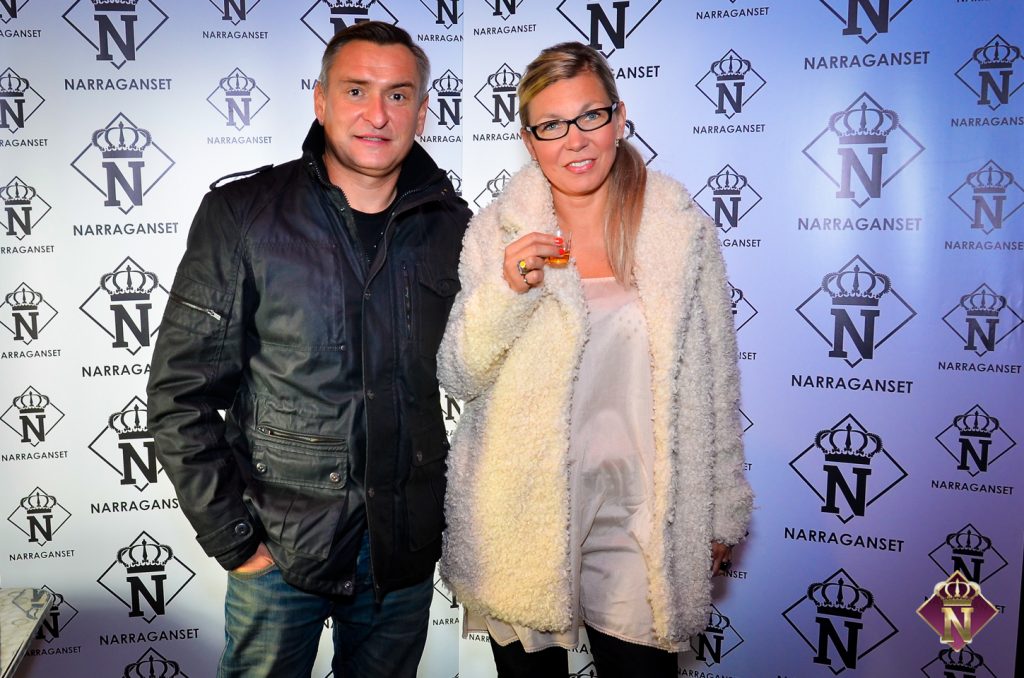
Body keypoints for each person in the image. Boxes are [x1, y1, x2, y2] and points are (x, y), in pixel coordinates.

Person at [146, 21, 470, 678]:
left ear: (421, 112)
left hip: (402, 554)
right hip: (279, 549)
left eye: (398, 95)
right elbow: (180, 393)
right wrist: (236, 541)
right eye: (356, 91)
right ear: (321, 101)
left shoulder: (454, 226)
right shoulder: (244, 213)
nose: (377, 114)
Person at [437, 42, 753, 678]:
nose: (575, 140)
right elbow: (459, 372)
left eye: (590, 116)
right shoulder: (496, 231)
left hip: (644, 512)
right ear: (529, 141)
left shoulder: (677, 227)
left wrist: (723, 509)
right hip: (524, 511)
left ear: (619, 116)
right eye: (551, 125)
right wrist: (508, 290)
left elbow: (716, 381)